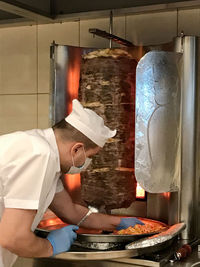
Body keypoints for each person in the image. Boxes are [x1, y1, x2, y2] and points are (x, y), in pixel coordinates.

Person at [0, 99, 143, 267]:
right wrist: (50, 247)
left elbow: (71, 212)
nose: (89, 162)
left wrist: (117, 223)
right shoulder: (39, 154)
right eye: (91, 156)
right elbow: (13, 237)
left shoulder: (47, 155)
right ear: (76, 149)